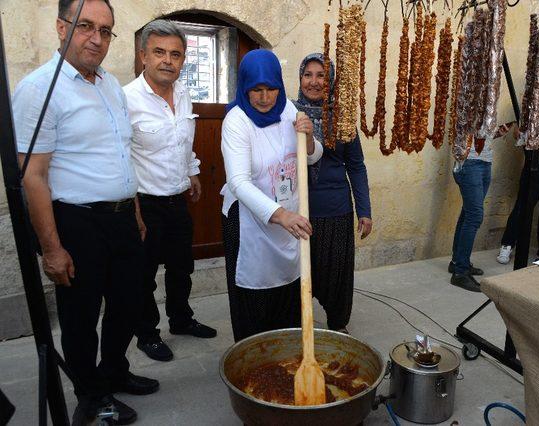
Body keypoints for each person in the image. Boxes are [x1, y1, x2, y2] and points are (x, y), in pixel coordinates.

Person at [13, 1, 158, 424]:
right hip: (77, 222)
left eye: (106, 30)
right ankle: (91, 395)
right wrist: (51, 249)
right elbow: (33, 176)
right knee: (81, 316)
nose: (97, 38)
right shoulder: (39, 90)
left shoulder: (110, 85)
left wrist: (133, 210)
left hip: (122, 218)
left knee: (129, 303)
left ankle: (114, 370)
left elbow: (119, 153)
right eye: (86, 26)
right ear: (62, 27)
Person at [123, 20, 217, 363]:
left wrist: (192, 172)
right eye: (159, 52)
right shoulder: (126, 99)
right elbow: (120, 158)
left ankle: (181, 320)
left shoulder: (183, 92)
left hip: (177, 199)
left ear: (183, 59)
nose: (168, 60)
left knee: (181, 267)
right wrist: (132, 209)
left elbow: (182, 143)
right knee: (144, 275)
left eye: (175, 54)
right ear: (143, 55)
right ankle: (147, 334)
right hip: (143, 203)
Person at [220, 49, 323, 342]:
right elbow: (238, 182)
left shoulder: (289, 110)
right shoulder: (237, 121)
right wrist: (281, 215)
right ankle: (253, 364)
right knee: (255, 301)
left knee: (288, 293)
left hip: (288, 224)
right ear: (245, 88)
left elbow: (313, 158)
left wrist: (309, 138)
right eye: (257, 90)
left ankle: (287, 358)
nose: (265, 98)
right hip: (252, 224)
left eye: (271, 89)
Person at [292, 53, 372, 334]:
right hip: (297, 211)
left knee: (335, 274)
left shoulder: (343, 118)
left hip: (336, 210)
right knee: (298, 274)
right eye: (308, 75)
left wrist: (364, 210)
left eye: (321, 76)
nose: (314, 82)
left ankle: (337, 324)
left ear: (331, 81)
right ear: (300, 78)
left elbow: (356, 165)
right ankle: (298, 324)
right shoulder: (288, 113)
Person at [497, 66, 539, 264]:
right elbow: (521, 133)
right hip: (536, 162)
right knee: (523, 206)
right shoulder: (536, 104)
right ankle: (507, 245)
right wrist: (527, 137)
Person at [450, 124, 514, 292]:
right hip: (469, 163)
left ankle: (457, 262)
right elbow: (466, 131)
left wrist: (496, 133)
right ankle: (460, 273)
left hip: (485, 162)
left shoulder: (487, 103)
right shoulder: (469, 100)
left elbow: (480, 136)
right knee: (474, 216)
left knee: (468, 213)